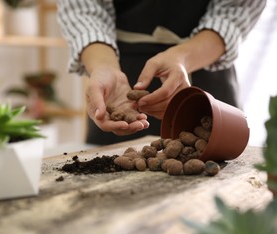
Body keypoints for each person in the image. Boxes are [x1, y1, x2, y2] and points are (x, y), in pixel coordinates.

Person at [57, 0, 266, 145]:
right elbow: (81, 8)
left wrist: (184, 57)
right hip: (120, 78)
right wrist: (104, 66)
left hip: (206, 72)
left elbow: (237, 9)